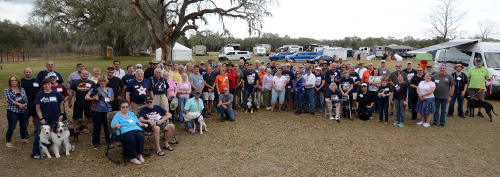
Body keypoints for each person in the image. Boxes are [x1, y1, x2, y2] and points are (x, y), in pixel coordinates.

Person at [30, 78, 64, 159]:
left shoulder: (56, 94)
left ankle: (55, 150)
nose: (47, 86)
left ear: (51, 85)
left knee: (55, 134)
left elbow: (61, 104)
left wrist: (62, 114)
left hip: (55, 117)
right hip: (44, 118)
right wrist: (41, 118)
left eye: (48, 84)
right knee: (39, 134)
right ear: (43, 86)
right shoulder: (39, 95)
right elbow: (37, 108)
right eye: (45, 84)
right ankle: (36, 152)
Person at [110, 100, 147, 165]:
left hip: (136, 129)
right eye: (123, 107)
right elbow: (112, 126)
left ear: (129, 107)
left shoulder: (132, 114)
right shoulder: (117, 115)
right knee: (130, 138)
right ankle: (132, 157)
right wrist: (116, 125)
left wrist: (143, 125)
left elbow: (138, 123)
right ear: (120, 107)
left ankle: (140, 154)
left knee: (140, 136)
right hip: (124, 132)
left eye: (126, 107)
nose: (125, 108)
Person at [85, 76, 113, 149]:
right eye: (101, 81)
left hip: (108, 110)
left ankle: (109, 141)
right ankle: (96, 143)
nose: (103, 83)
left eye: (104, 81)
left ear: (107, 82)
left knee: (108, 127)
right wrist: (93, 98)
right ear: (99, 82)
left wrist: (111, 99)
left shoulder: (110, 89)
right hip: (97, 110)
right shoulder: (95, 89)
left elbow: (112, 98)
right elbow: (86, 97)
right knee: (97, 127)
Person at [5, 75, 29, 148]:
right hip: (12, 110)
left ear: (18, 81)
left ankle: (23, 138)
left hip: (23, 110)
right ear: (10, 82)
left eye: (15, 80)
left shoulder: (22, 89)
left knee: (23, 125)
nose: (13, 82)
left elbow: (25, 98)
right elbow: (9, 100)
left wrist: (24, 105)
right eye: (11, 81)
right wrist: (19, 105)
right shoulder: (7, 90)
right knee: (12, 126)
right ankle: (8, 141)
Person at [21, 68, 40, 137]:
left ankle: (36, 129)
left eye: (29, 72)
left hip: (35, 102)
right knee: (26, 117)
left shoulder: (36, 81)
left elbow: (40, 90)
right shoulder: (21, 81)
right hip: (25, 103)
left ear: (32, 72)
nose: (28, 73)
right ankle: (25, 131)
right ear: (24, 73)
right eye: (26, 72)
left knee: (35, 116)